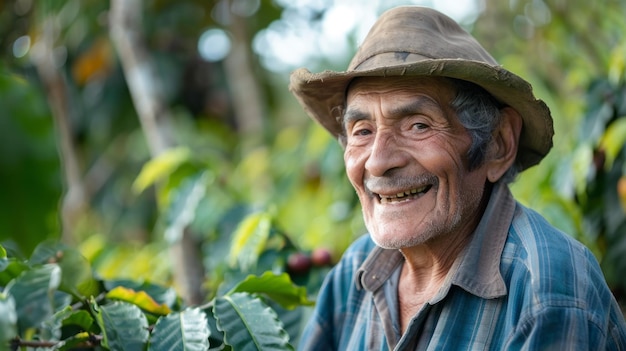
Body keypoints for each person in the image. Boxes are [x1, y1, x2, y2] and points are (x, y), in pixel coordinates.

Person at [289, 5, 626, 350]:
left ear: (497, 144)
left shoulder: (548, 293)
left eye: (418, 125)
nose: (377, 162)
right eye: (362, 131)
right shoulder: (355, 271)